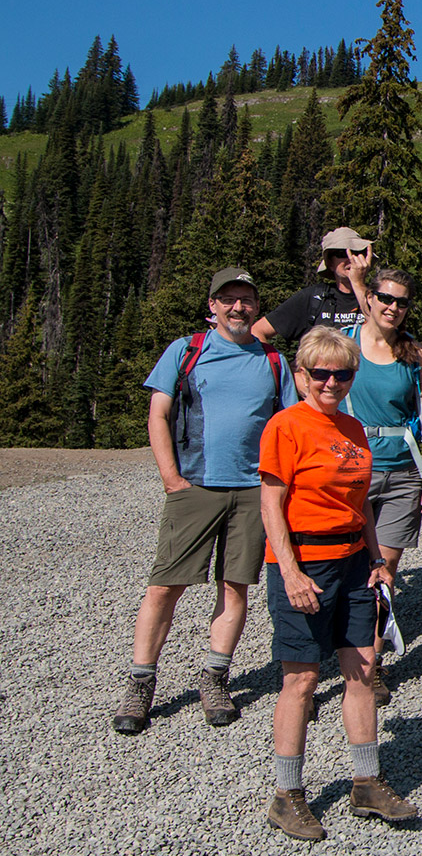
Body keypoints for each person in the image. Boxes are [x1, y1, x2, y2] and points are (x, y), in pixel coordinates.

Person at [112, 268, 298, 736]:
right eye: (228, 299)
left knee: (235, 587)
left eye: (246, 299)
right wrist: (171, 478)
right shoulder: (186, 350)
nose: (238, 307)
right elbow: (158, 413)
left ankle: (215, 678)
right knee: (164, 586)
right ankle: (141, 681)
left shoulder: (273, 361)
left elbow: (288, 425)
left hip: (253, 490)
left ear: (256, 307)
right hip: (194, 486)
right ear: (212, 306)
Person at [259, 325, 415, 840]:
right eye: (321, 373)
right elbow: (271, 506)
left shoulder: (352, 427)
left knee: (362, 669)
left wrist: (377, 558)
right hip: (305, 562)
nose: (331, 382)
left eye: (342, 374)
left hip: (352, 562)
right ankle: (287, 794)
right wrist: (290, 572)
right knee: (301, 680)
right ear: (302, 375)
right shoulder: (285, 426)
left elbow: (360, 503)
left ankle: (366, 782)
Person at [344, 267, 422, 706]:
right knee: (339, 565)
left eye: (402, 302)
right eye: (385, 298)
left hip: (402, 473)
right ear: (370, 297)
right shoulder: (344, 346)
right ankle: (324, 658)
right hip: (351, 470)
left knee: (384, 570)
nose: (393, 308)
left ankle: (372, 662)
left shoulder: (414, 353)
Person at [254, 227, 373, 345]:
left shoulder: (379, 297)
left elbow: (379, 330)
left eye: (357, 253)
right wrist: (275, 357)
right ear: (330, 263)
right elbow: (257, 331)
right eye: (342, 253)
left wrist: (358, 283)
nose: (351, 258)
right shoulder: (314, 297)